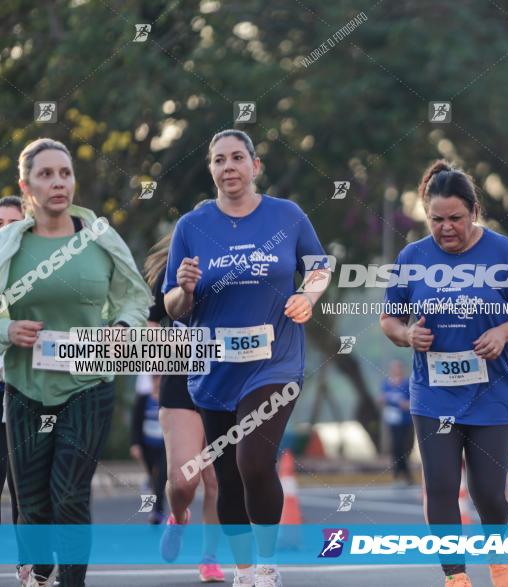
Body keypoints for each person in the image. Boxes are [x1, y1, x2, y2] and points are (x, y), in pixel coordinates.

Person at [163, 129, 328, 587]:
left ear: (255, 166)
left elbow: (318, 267)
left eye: (238, 158)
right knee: (229, 478)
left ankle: (267, 566)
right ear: (211, 169)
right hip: (213, 370)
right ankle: (242, 570)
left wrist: (308, 296)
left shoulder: (287, 216)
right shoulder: (191, 227)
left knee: (254, 461)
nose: (229, 167)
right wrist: (186, 287)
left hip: (275, 362)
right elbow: (175, 307)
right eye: (219, 160)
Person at [379, 161, 508, 587]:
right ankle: (455, 577)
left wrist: (503, 332)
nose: (446, 228)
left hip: (493, 393)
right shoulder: (413, 258)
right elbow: (389, 319)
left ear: (474, 211)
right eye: (436, 219)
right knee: (439, 485)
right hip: (433, 393)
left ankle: (497, 554)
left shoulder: (503, 253)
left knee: (489, 493)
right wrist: (407, 335)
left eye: (455, 218)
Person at [1, 138, 152, 587]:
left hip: (89, 384)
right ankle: (39, 570)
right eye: (46, 175)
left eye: (64, 173)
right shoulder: (8, 244)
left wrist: (122, 330)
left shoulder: (99, 237)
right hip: (26, 388)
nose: (58, 182)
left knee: (69, 494)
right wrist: (6, 330)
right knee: (31, 503)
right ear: (27, 186)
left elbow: (135, 297)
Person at [143, 224, 225, 583]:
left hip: (227, 379)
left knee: (217, 479)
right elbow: (150, 323)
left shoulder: (244, 267)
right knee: (183, 481)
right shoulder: (172, 268)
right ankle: (177, 516)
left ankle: (209, 557)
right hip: (181, 377)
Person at [0, 195, 24, 525]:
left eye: (13, 224)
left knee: (25, 487)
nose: (5, 230)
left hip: (27, 388)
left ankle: (30, 568)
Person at [130, 372, 166, 525]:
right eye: (154, 376)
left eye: (159, 376)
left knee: (161, 478)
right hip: (148, 445)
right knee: (153, 477)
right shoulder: (143, 398)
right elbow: (136, 423)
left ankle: (158, 511)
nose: (156, 379)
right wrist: (135, 444)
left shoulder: (169, 399)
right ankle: (154, 502)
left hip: (165, 446)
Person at [380, 359, 414, 486]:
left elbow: (412, 402)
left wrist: (406, 404)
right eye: (394, 368)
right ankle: (401, 474)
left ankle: (403, 474)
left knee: (406, 447)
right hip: (392, 421)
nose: (396, 370)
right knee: (396, 448)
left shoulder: (407, 384)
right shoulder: (386, 384)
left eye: (398, 368)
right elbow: (381, 398)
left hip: (406, 421)